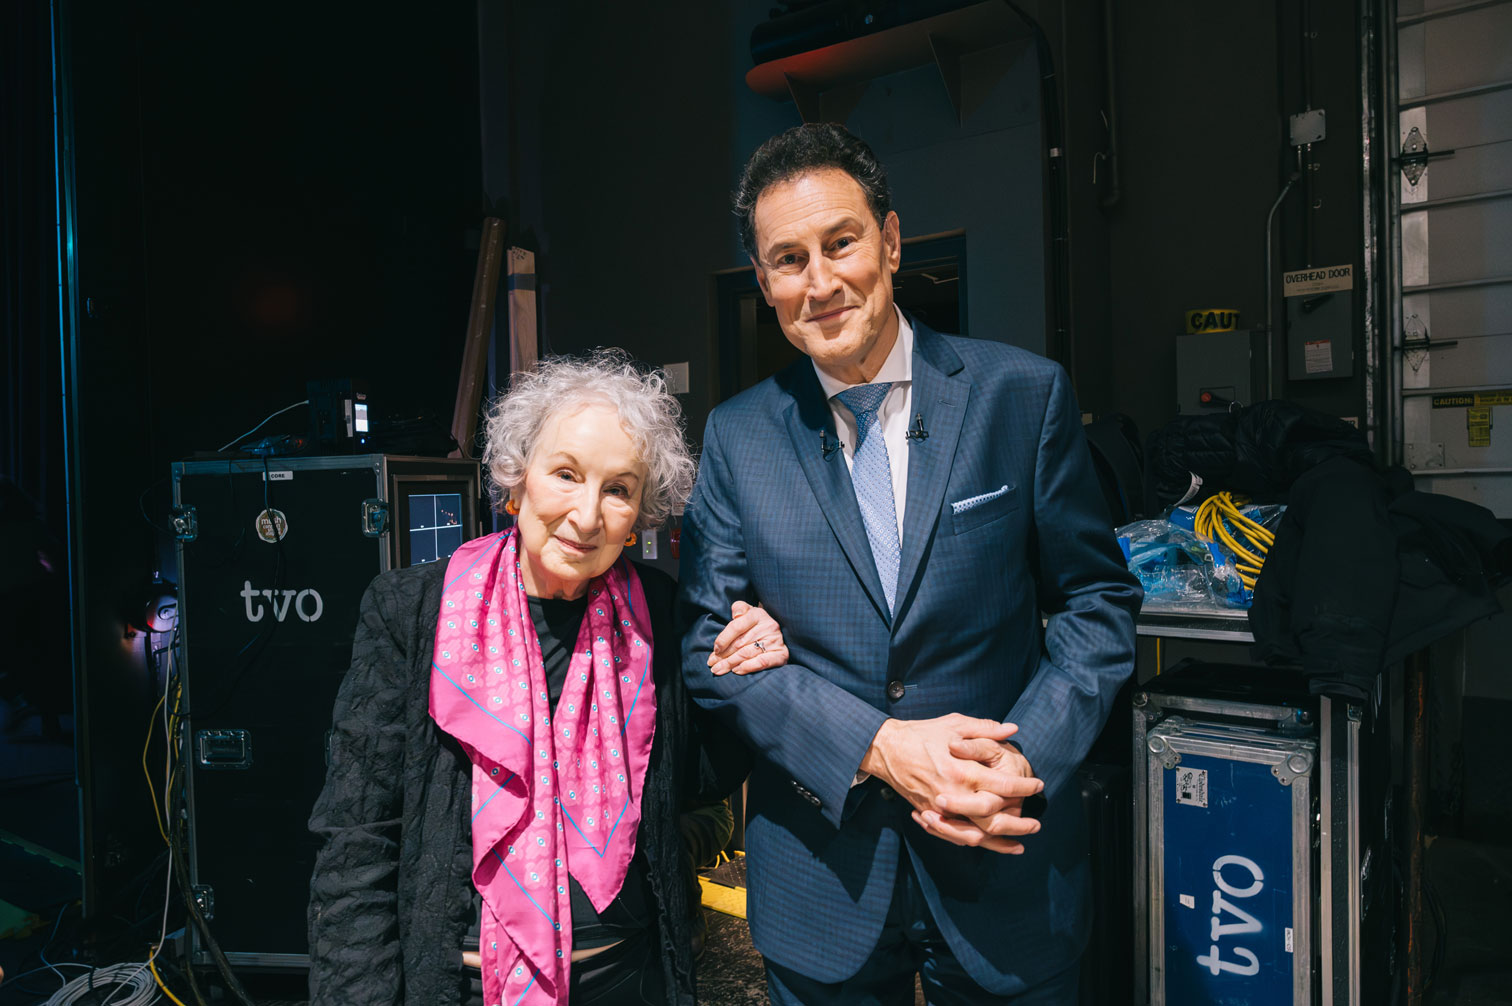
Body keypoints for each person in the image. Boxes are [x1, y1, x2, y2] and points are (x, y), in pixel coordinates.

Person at [677, 123, 1142, 1003]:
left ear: (890, 242)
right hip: (822, 877)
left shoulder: (1022, 395)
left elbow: (1098, 601)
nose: (820, 283)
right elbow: (709, 646)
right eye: (787, 260)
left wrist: (1019, 761)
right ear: (765, 283)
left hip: (1003, 854)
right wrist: (881, 748)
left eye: (840, 242)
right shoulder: (738, 439)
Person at [308, 351, 789, 1006]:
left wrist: (745, 669)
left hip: (630, 979)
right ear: (516, 478)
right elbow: (357, 840)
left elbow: (692, 780)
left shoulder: (658, 609)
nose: (588, 515)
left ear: (639, 514)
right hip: (466, 988)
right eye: (565, 474)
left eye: (618, 489)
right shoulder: (412, 612)